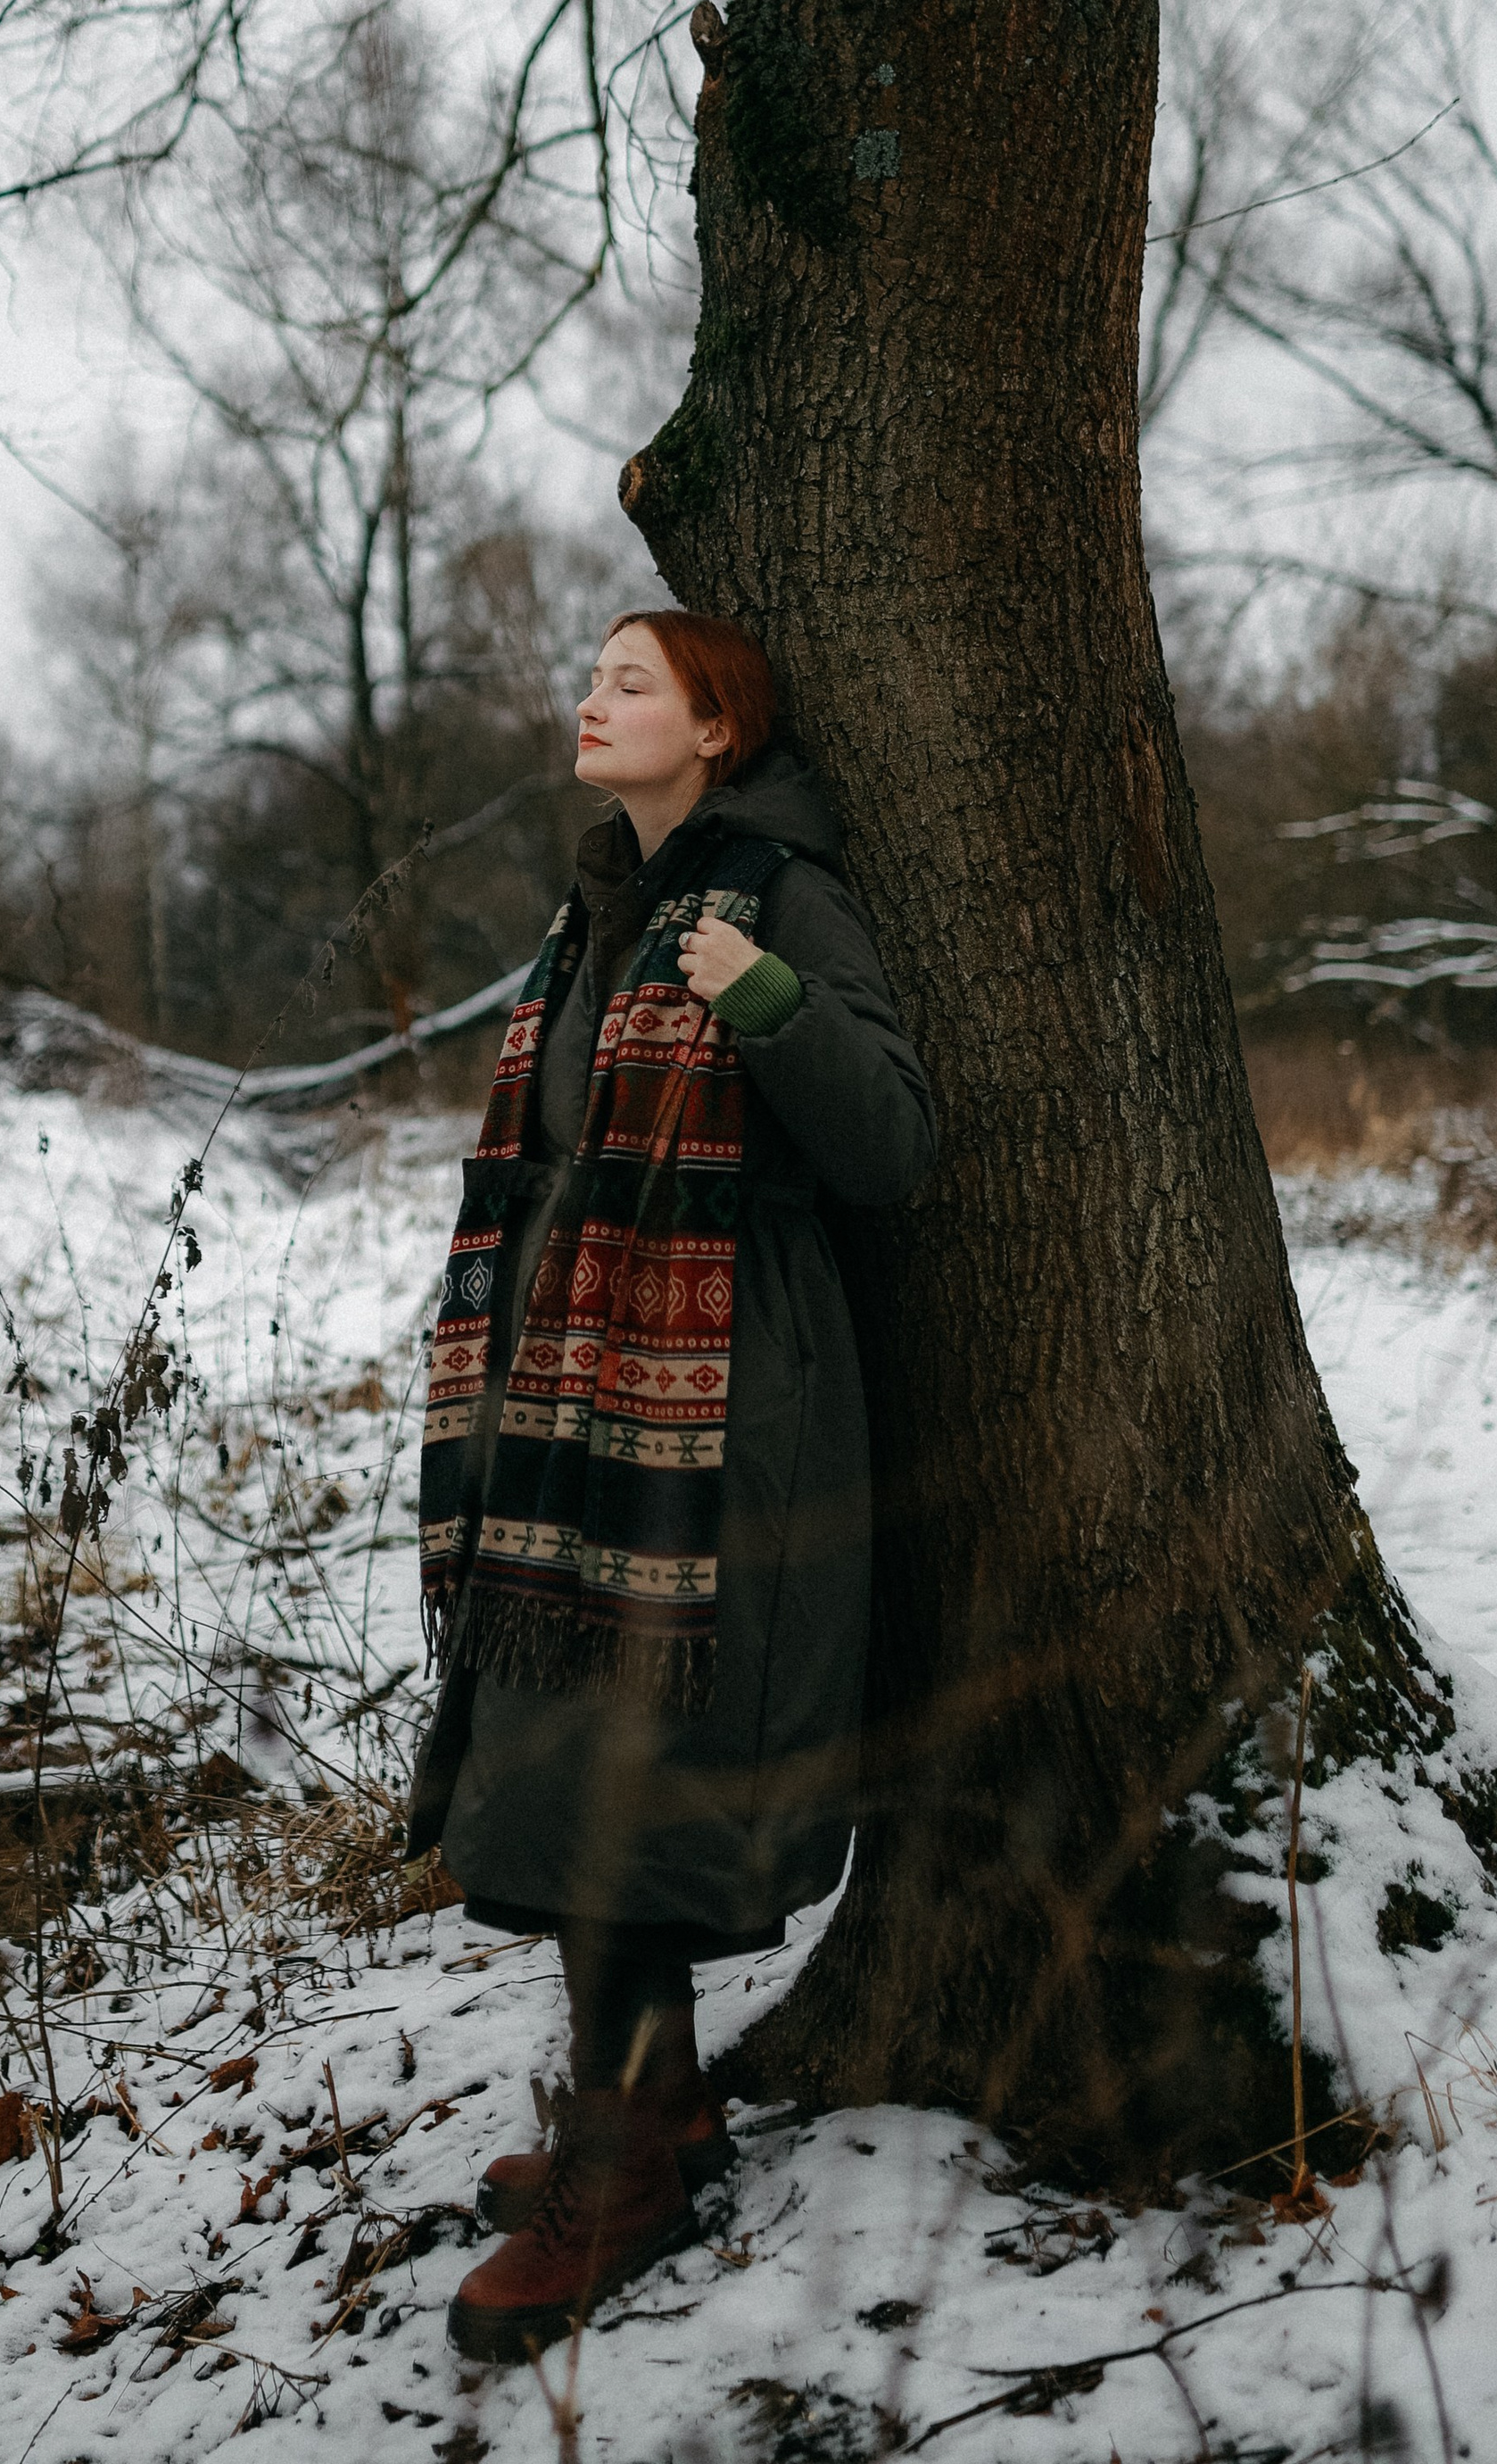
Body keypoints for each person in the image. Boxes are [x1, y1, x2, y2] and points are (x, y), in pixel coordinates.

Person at [408, 608, 937, 2360]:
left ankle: (625, 2163)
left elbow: (888, 1141)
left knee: (609, 1784)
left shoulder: (778, 899)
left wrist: (764, 1000)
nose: (588, 696)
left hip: (715, 1420)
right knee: (550, 1768)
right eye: (593, 673)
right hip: (570, 1418)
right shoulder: (598, 915)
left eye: (629, 679)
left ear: (714, 727)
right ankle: (652, 2109)